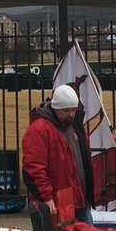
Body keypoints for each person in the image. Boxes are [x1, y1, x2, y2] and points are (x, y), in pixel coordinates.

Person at [22, 84, 95, 223]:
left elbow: (84, 157)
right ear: (56, 108)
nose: (71, 114)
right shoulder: (39, 130)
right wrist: (47, 197)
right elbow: (33, 168)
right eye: (67, 110)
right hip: (56, 204)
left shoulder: (75, 124)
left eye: (73, 110)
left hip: (80, 200)